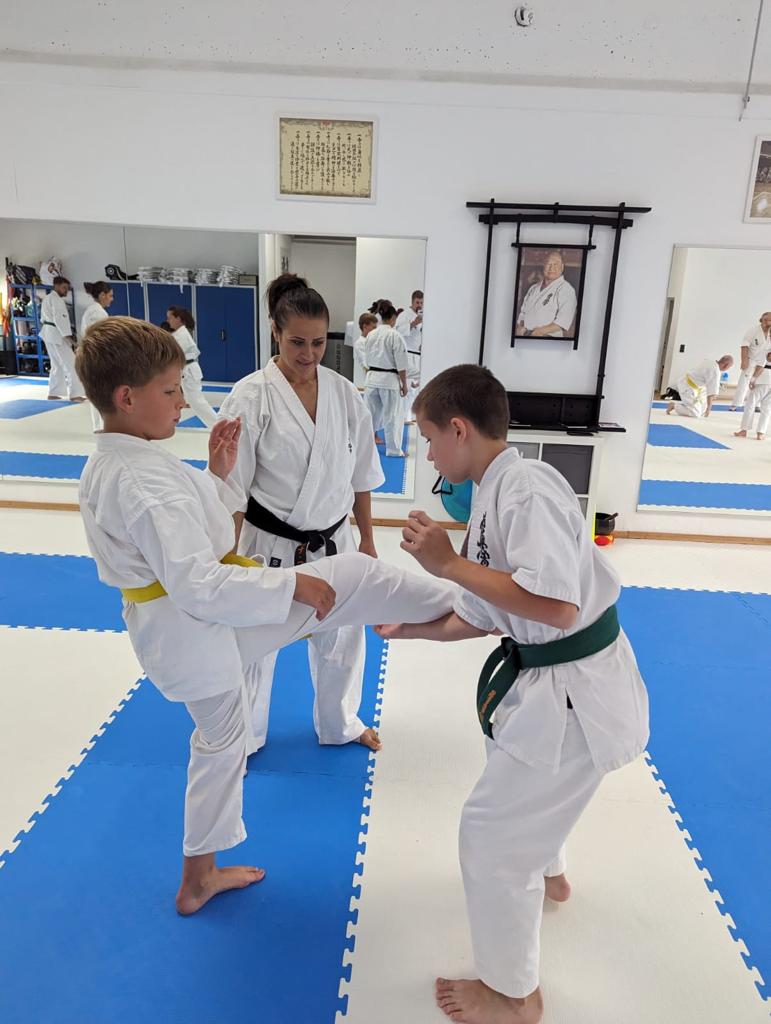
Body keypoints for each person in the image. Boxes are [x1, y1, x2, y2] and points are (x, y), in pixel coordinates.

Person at [74, 316, 457, 917]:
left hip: (180, 634)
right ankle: (469, 604)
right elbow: (199, 583)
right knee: (352, 580)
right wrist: (291, 585)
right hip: (198, 630)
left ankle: (198, 878)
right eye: (170, 391)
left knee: (222, 740)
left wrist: (218, 477)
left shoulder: (121, 463)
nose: (182, 402)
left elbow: (186, 542)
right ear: (126, 397)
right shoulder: (143, 482)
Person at [376, 364, 649, 1024]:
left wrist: (447, 564)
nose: (428, 455)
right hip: (548, 683)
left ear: (459, 429)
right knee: (515, 777)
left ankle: (513, 995)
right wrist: (411, 630)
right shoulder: (495, 494)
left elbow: (555, 606)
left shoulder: (524, 490)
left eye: (428, 438)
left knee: (491, 838)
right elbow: (488, 612)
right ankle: (550, 871)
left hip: (574, 691)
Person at [219, 274, 385, 754]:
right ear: (275, 331)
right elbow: (233, 488)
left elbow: (361, 474)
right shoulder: (250, 396)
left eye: (317, 343)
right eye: (297, 342)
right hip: (268, 543)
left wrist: (368, 540)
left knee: (343, 638)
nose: (309, 354)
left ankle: (340, 724)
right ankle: (244, 737)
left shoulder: (345, 394)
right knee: (254, 643)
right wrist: (226, 557)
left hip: (335, 540)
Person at [363, 300, 408, 457]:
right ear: (393, 318)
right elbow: (401, 364)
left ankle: (364, 447)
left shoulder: (371, 335)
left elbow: (367, 358)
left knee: (369, 416)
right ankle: (393, 450)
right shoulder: (395, 336)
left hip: (371, 379)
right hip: (389, 380)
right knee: (392, 416)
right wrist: (404, 384)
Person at [166, 306, 218, 428]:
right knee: (191, 401)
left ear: (178, 319)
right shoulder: (178, 334)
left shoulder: (182, 335)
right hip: (185, 370)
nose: (168, 321)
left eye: (170, 318)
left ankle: (218, 425)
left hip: (189, 371)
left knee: (197, 402)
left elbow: (174, 354)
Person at [40, 276, 86, 402]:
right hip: (57, 335)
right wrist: (69, 338)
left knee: (56, 364)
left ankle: (53, 392)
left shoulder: (47, 298)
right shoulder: (57, 300)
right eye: (64, 287)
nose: (66, 290)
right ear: (56, 286)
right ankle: (75, 394)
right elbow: (60, 320)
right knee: (72, 363)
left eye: (67, 288)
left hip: (48, 333)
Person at [516, 251, 578, 339]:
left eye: (556, 264)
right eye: (549, 264)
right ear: (544, 265)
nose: (552, 268)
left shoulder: (566, 289)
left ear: (562, 267)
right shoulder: (533, 288)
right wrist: (520, 327)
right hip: (525, 335)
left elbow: (564, 320)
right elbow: (523, 312)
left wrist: (541, 331)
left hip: (548, 337)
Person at [81, 281, 114, 431]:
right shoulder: (98, 313)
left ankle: (100, 426)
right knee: (102, 391)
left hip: (93, 354)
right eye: (110, 296)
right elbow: (99, 337)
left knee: (98, 391)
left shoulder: (93, 310)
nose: (112, 299)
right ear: (102, 295)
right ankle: (102, 426)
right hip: (97, 355)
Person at [666, 355, 733, 418]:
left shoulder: (709, 361)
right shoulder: (715, 371)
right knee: (696, 413)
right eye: (729, 367)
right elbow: (711, 394)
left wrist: (706, 407)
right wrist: (709, 409)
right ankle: (674, 405)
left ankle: (688, 405)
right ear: (726, 365)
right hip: (688, 387)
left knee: (702, 409)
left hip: (693, 385)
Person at [731, 312, 771, 410]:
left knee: (758, 383)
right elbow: (744, 346)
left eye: (769, 320)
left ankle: (756, 405)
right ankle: (736, 404)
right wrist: (744, 360)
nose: (766, 322)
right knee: (744, 382)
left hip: (763, 362)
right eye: (765, 319)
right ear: (761, 320)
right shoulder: (753, 330)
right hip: (751, 359)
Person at [395, 289, 424, 423]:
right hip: (407, 354)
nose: (419, 305)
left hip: (418, 355)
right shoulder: (404, 315)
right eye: (417, 302)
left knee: (416, 389)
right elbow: (398, 332)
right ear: (412, 301)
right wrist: (413, 324)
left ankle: (411, 417)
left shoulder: (425, 316)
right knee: (408, 388)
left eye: (421, 303)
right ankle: (403, 418)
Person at [734, 351, 771, 440]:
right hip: (766, 380)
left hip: (763, 380)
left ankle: (744, 430)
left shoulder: (765, 349)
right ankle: (761, 433)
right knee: (767, 408)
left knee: (750, 405)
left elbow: (761, 366)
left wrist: (753, 379)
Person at [353, 311, 378, 378]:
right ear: (365, 327)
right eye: (374, 327)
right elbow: (367, 365)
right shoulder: (360, 343)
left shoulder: (374, 341)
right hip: (368, 379)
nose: (376, 330)